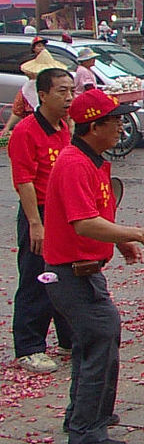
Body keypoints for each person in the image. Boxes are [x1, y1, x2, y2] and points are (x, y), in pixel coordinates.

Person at [42, 89, 144, 444]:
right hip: (70, 272)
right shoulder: (73, 163)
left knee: (94, 338)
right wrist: (138, 234)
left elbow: (98, 212)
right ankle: (86, 429)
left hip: (84, 268)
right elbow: (84, 222)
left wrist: (118, 242)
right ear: (93, 126)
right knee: (101, 335)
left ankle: (84, 413)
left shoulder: (96, 161)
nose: (121, 127)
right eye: (115, 121)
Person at [8, 67, 75, 374]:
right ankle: (29, 347)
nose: (68, 98)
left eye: (71, 91)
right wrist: (36, 223)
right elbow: (23, 181)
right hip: (39, 211)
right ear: (43, 94)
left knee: (66, 276)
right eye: (62, 91)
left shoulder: (62, 127)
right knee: (36, 278)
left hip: (62, 214)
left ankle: (69, 340)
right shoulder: (25, 131)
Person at [1, 49, 69, 141]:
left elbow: (67, 114)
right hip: (33, 132)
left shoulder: (61, 88)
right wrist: (7, 128)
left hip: (57, 130)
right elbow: (18, 111)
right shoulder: (26, 89)